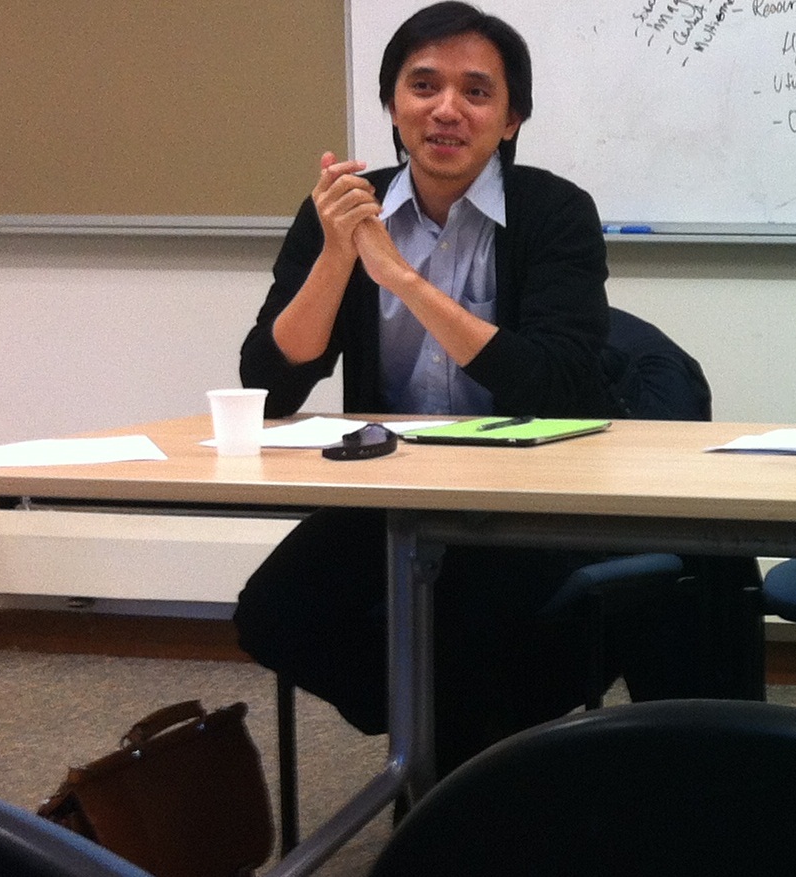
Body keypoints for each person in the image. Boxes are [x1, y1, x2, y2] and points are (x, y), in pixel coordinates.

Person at [233, 1, 621, 772]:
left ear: (511, 119)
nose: (446, 109)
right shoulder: (344, 208)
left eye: (476, 92)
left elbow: (557, 383)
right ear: (391, 105)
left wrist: (403, 280)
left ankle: (452, 757)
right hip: (394, 491)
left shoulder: (555, 211)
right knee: (273, 614)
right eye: (423, 86)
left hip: (528, 495)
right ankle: (438, 731)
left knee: (480, 630)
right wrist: (339, 255)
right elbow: (268, 386)